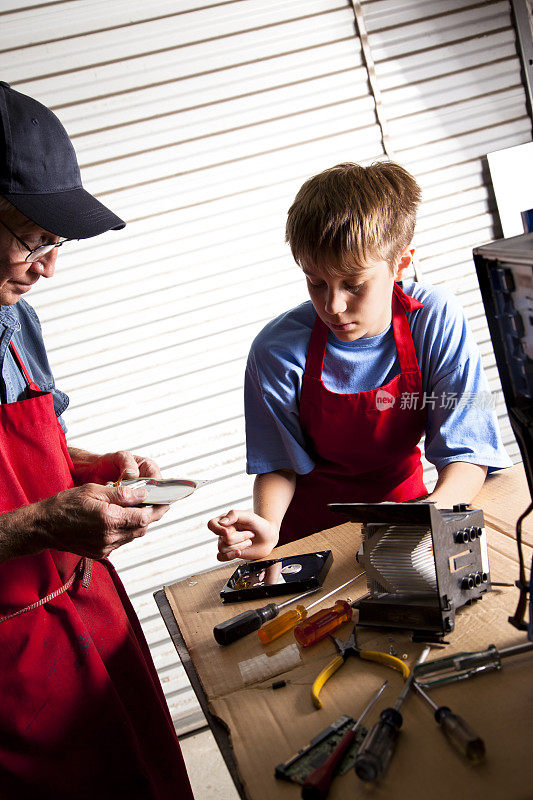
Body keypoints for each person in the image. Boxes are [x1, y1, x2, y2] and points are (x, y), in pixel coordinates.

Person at [0, 82, 194, 800]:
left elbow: (41, 442)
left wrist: (98, 468)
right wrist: (43, 522)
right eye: (35, 237)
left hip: (88, 610)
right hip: (12, 670)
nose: (51, 266)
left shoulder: (14, 316)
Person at [209, 161, 511, 562]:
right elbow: (281, 464)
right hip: (311, 538)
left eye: (353, 284)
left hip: (411, 515)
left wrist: (431, 517)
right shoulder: (276, 349)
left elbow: (467, 450)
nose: (333, 306)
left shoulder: (434, 319)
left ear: (401, 262)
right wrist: (267, 528)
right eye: (316, 282)